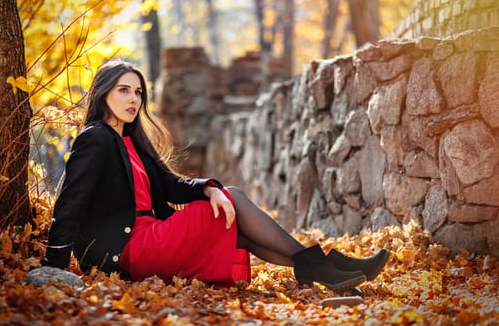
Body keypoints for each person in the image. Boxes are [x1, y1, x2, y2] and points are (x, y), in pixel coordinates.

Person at [41, 59, 390, 293]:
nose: (133, 99)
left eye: (138, 92)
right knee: (233, 199)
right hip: (130, 249)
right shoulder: (95, 138)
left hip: (150, 237)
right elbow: (71, 199)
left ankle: (322, 269)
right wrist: (53, 264)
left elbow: (170, 185)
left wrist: (208, 188)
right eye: (123, 90)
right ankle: (321, 266)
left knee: (227, 204)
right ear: (103, 92)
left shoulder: (130, 141)